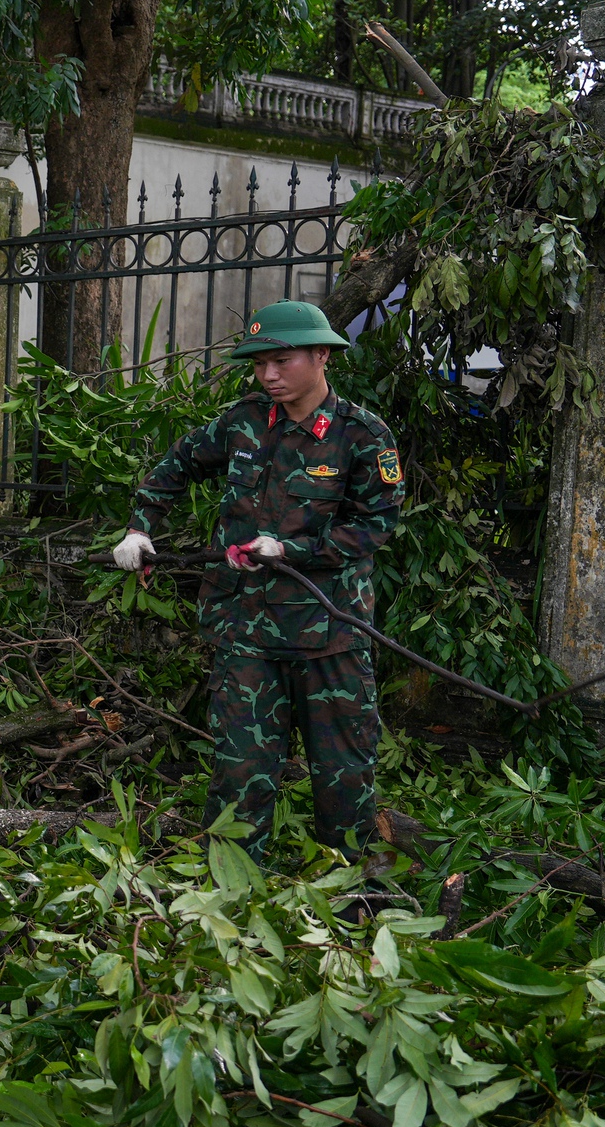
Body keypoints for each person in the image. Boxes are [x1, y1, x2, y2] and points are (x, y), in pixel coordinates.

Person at [113, 300, 404, 863]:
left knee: (344, 774)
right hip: (245, 627)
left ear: (322, 355)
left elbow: (374, 526)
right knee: (239, 771)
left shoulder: (361, 435)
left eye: (282, 361)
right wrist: (140, 527)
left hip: (328, 636)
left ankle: (348, 896)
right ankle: (233, 894)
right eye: (259, 364)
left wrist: (290, 551)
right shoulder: (243, 420)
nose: (269, 375)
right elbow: (177, 465)